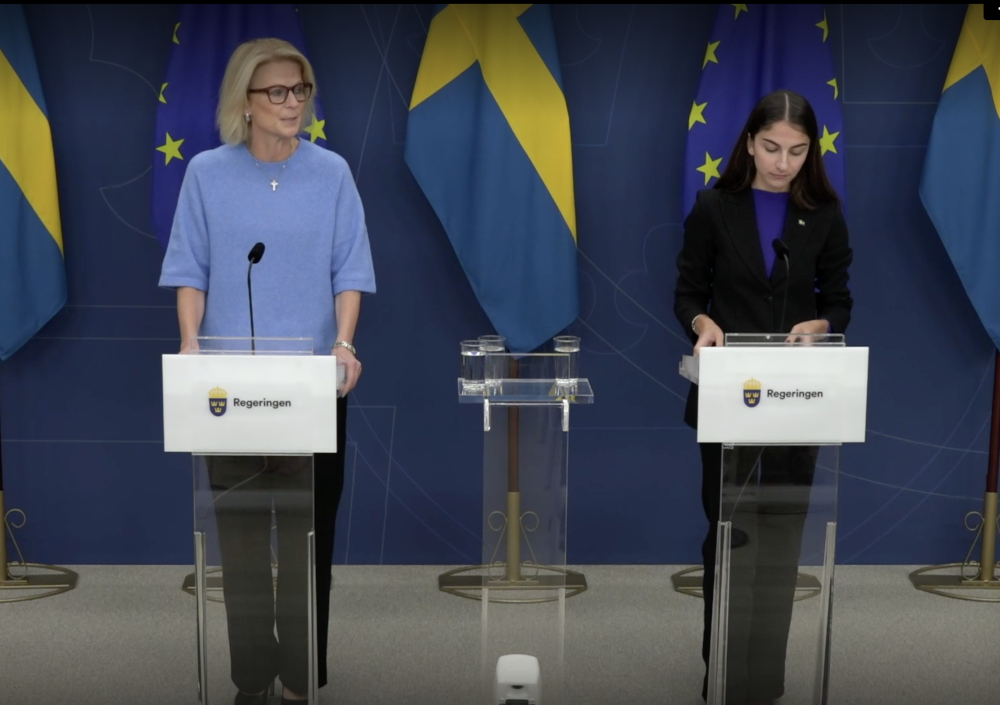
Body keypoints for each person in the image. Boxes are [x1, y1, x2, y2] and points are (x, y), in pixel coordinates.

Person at [158, 38, 376, 705]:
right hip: (229, 393)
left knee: (311, 539)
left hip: (313, 390)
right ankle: (252, 678)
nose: (292, 103)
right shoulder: (207, 174)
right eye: (277, 92)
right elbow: (190, 269)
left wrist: (343, 344)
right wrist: (191, 346)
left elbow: (351, 271)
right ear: (245, 104)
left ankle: (300, 676)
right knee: (245, 543)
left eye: (300, 90)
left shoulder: (333, 172)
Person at [673, 89, 853, 705]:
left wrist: (822, 326)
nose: (783, 162)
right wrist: (703, 325)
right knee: (729, 538)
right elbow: (688, 294)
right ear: (750, 143)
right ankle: (720, 678)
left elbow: (839, 300)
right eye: (772, 148)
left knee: (781, 542)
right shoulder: (713, 207)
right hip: (728, 400)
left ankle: (766, 684)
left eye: (798, 151)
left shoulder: (824, 214)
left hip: (800, 401)